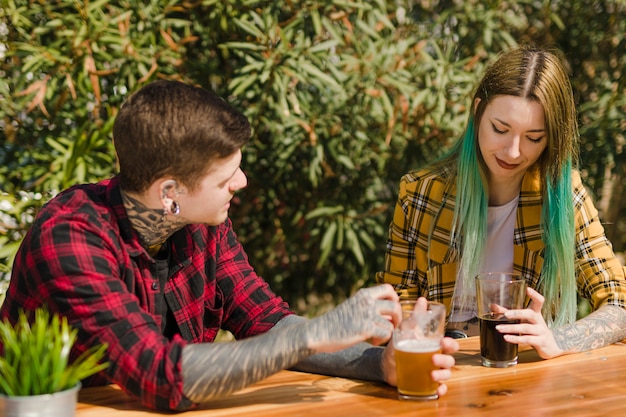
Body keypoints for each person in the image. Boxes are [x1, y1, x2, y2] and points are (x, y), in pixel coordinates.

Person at [0, 80, 457, 411]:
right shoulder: (71, 238)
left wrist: (382, 363)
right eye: (225, 178)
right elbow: (161, 376)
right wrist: (317, 331)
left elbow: (268, 323)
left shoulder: (202, 222)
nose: (241, 182)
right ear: (169, 192)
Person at [376, 45, 626, 359]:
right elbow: (394, 311)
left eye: (534, 137)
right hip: (440, 371)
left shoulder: (562, 195)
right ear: (477, 111)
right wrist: (402, 328)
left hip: (527, 376)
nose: (513, 152)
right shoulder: (420, 194)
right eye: (500, 129)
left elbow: (619, 301)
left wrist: (560, 339)